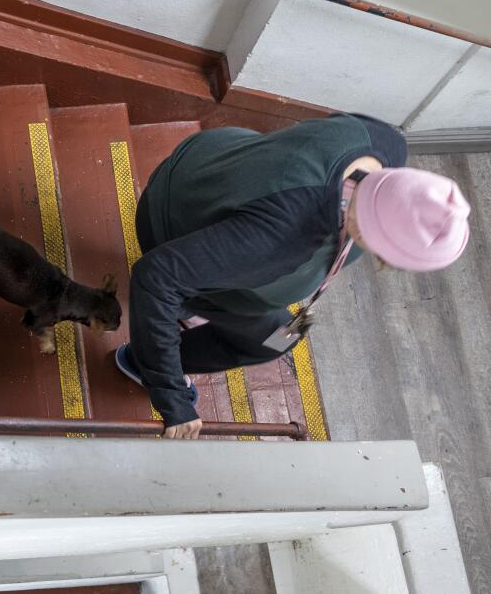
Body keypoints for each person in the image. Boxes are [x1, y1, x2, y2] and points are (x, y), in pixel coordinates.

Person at [113, 112, 471, 439]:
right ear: (371, 234)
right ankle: (145, 360)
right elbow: (156, 277)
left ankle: (189, 307)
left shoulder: (385, 143)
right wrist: (171, 396)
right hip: (168, 222)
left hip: (204, 166)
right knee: (260, 336)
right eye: (388, 255)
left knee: (284, 336)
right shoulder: (283, 236)